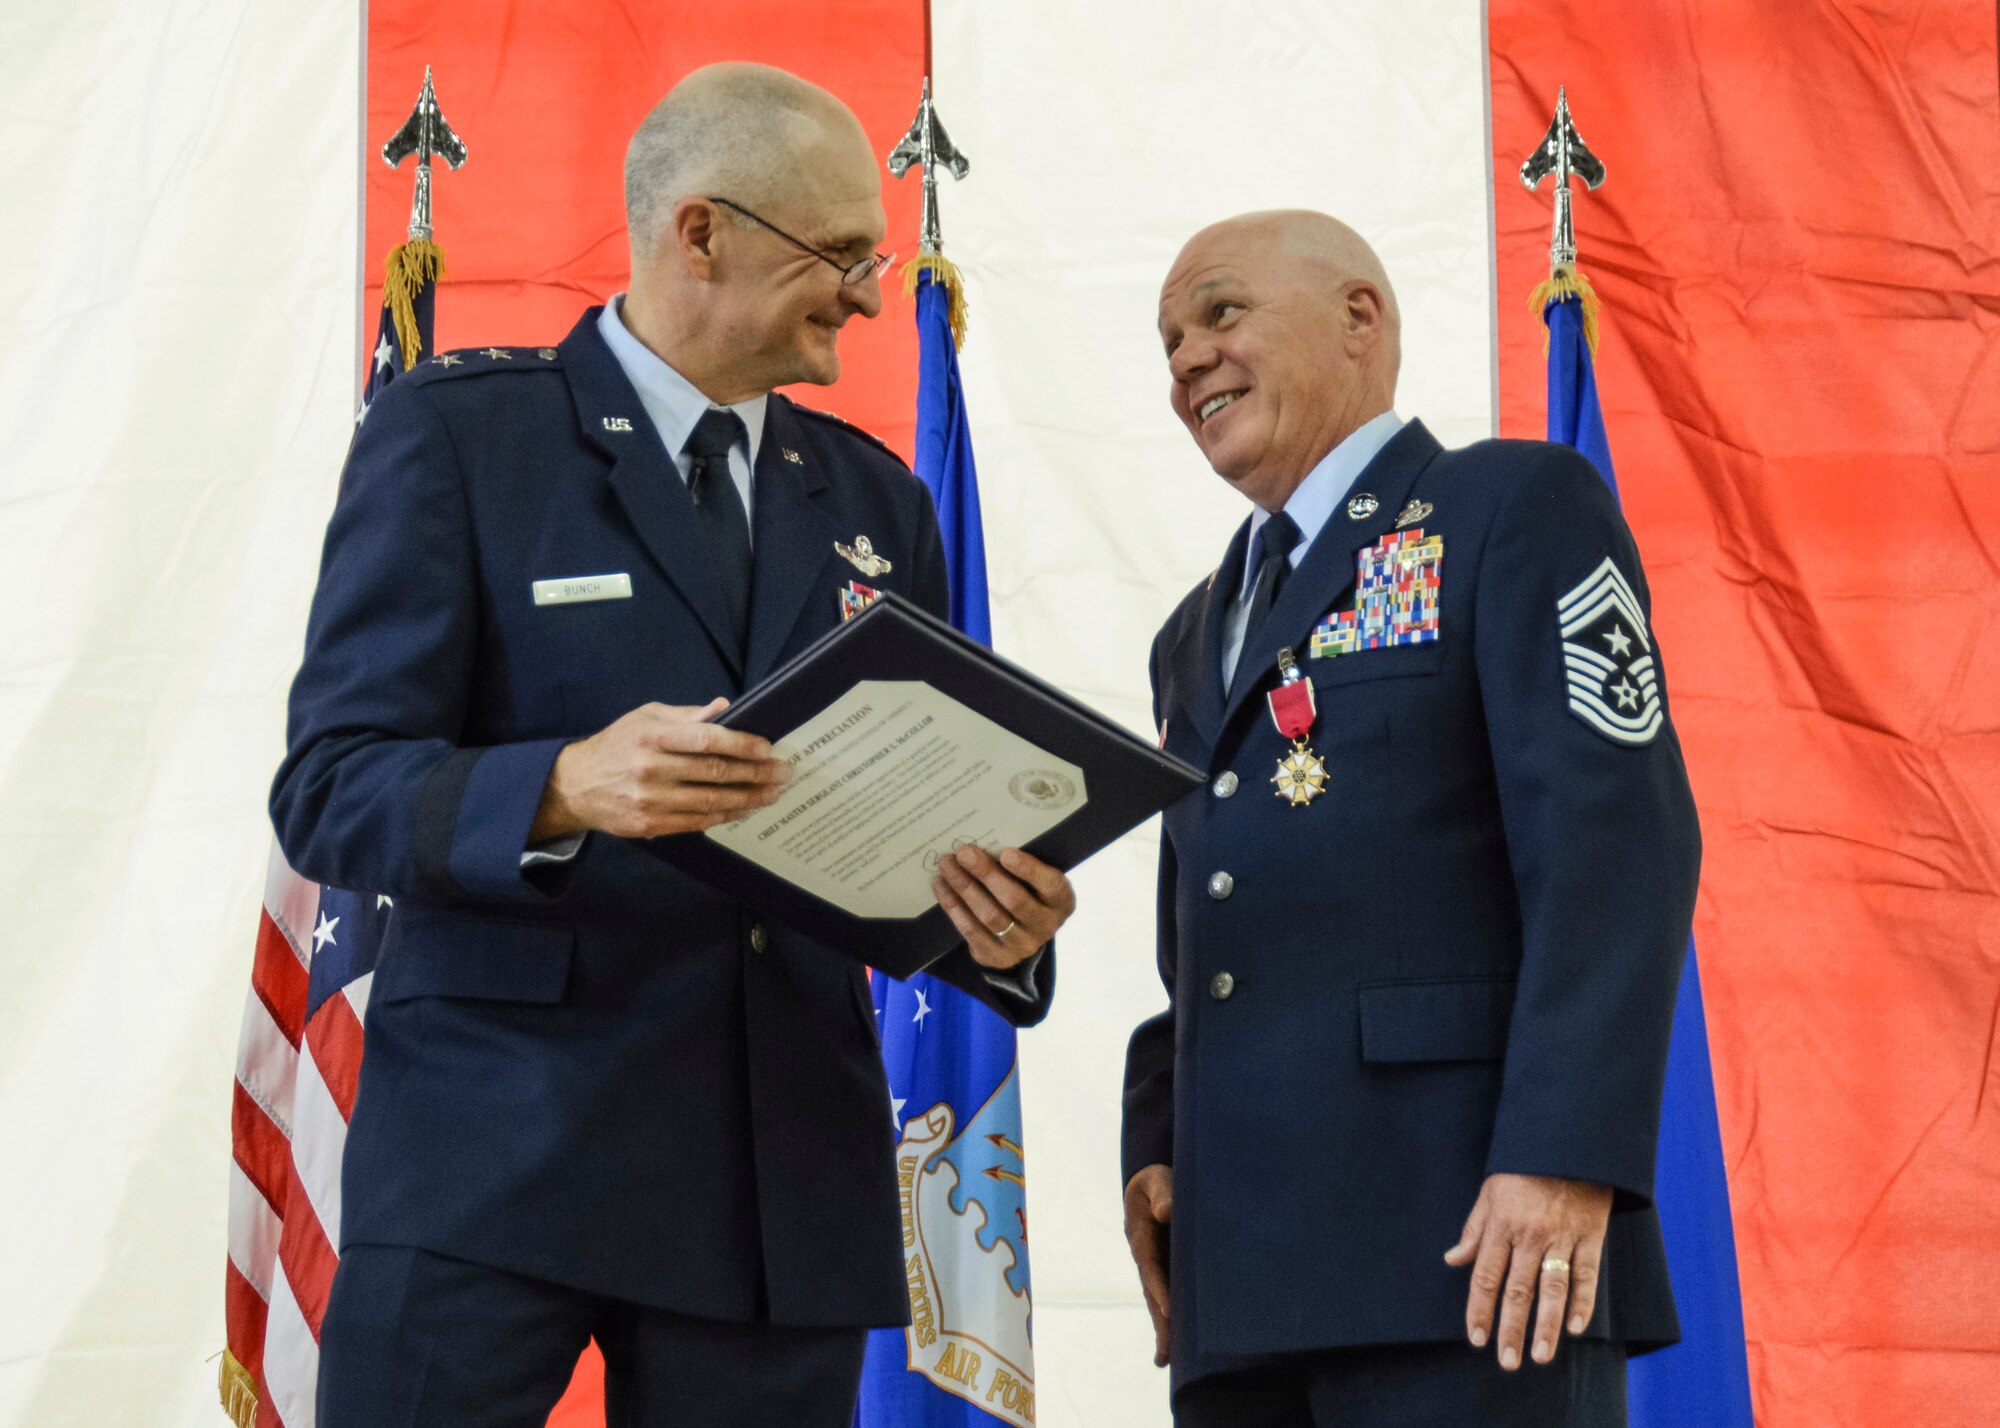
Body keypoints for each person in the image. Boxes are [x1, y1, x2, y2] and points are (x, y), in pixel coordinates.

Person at [271, 63, 1073, 1428]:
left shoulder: (877, 499)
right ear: (701, 233)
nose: (871, 297)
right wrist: (563, 785)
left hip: (776, 1180)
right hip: (494, 1159)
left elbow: (920, 802)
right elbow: (332, 784)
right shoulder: (462, 439)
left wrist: (994, 923)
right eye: (838, 255)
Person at [1121, 210, 1700, 1426]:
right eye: (1167, 338)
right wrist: (1157, 1137)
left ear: (1356, 317)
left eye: (1218, 312)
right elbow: (1203, 931)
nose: (1183, 358)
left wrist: (1562, 1153)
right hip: (1240, 1282)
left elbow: (1615, 847)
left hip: (1469, 1250)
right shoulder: (1195, 628)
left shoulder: (1508, 506)